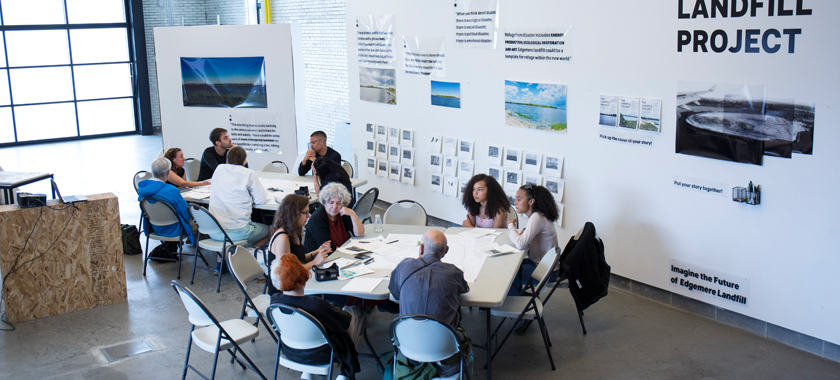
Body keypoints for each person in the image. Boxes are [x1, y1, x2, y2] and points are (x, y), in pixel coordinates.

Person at [388, 230, 471, 379]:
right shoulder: (454, 273)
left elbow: (395, 294)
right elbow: (464, 289)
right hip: (447, 357)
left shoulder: (404, 267)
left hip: (409, 352)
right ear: (446, 251)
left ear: (421, 248)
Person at [270, 254, 364, 380]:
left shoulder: (274, 303)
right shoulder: (317, 305)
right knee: (357, 312)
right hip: (325, 354)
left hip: (291, 352)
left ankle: (307, 372)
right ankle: (345, 374)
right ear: (302, 278)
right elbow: (345, 323)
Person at [209, 146, 269, 271]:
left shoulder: (219, 169)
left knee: (228, 227)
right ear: (244, 161)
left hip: (214, 231)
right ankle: (245, 259)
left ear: (227, 159)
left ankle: (221, 262)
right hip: (238, 232)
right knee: (271, 230)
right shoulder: (249, 173)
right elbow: (261, 200)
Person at [265, 194, 333, 295]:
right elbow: (286, 276)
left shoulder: (293, 231)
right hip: (284, 293)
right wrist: (314, 262)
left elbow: (296, 259)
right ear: (294, 214)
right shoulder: (282, 238)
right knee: (332, 296)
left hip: (296, 286)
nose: (309, 216)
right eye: (305, 213)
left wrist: (316, 253)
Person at [507, 184, 560, 294]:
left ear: (531, 201)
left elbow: (521, 244)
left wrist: (510, 226)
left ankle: (514, 303)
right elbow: (524, 241)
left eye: (519, 199)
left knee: (505, 273)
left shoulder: (537, 217)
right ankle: (517, 296)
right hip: (545, 267)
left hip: (544, 271)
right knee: (509, 264)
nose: (515, 202)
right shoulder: (540, 215)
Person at [136, 157, 195, 245]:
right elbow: (186, 214)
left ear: (152, 172)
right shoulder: (171, 190)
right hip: (176, 230)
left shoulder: (142, 190)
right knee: (199, 223)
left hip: (154, 228)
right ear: (168, 172)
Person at [303, 182, 364, 252]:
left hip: (342, 251)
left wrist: (353, 214)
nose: (335, 207)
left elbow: (360, 234)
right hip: (324, 258)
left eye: (339, 203)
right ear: (324, 202)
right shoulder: (317, 219)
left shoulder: (342, 212)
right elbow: (328, 249)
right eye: (331, 203)